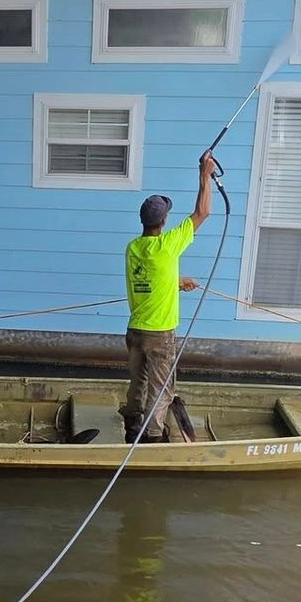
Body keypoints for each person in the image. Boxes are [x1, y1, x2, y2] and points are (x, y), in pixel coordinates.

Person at [123, 152, 219, 443]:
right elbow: (202, 213)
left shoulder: (133, 248)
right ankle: (153, 435)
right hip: (159, 332)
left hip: (135, 330)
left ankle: (131, 422)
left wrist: (176, 282)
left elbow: (150, 275)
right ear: (164, 221)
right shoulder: (167, 246)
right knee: (161, 386)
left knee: (138, 380)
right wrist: (205, 174)